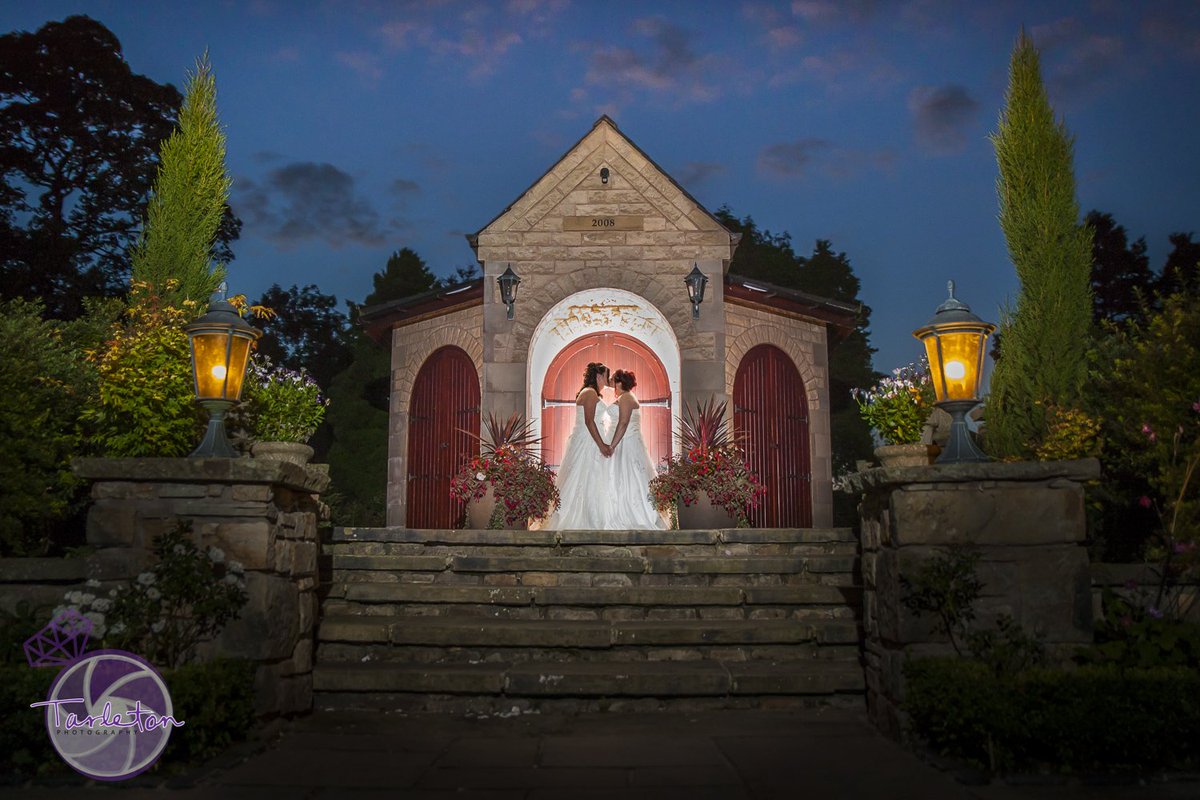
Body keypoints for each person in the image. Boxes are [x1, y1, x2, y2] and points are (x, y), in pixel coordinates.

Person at [542, 362, 614, 530]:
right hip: (588, 441)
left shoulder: (591, 393)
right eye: (606, 376)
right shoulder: (589, 393)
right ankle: (586, 520)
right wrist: (601, 444)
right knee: (586, 477)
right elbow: (589, 422)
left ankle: (593, 516)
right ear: (598, 376)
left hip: (587, 439)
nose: (608, 379)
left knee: (592, 479)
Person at [606, 369, 668, 530]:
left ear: (620, 382)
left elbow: (623, 423)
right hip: (622, 441)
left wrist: (612, 445)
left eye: (613, 379)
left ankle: (633, 514)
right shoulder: (624, 397)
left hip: (625, 444)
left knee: (629, 477)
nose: (610, 381)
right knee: (618, 479)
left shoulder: (626, 398)